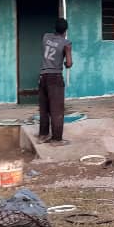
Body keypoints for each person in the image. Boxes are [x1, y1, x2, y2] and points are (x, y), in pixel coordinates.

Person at [38, 18, 73, 146]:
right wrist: (67, 55)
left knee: (44, 108)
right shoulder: (66, 43)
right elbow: (68, 64)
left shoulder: (45, 37)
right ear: (66, 30)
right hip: (55, 77)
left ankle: (43, 135)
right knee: (56, 109)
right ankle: (57, 139)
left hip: (43, 76)